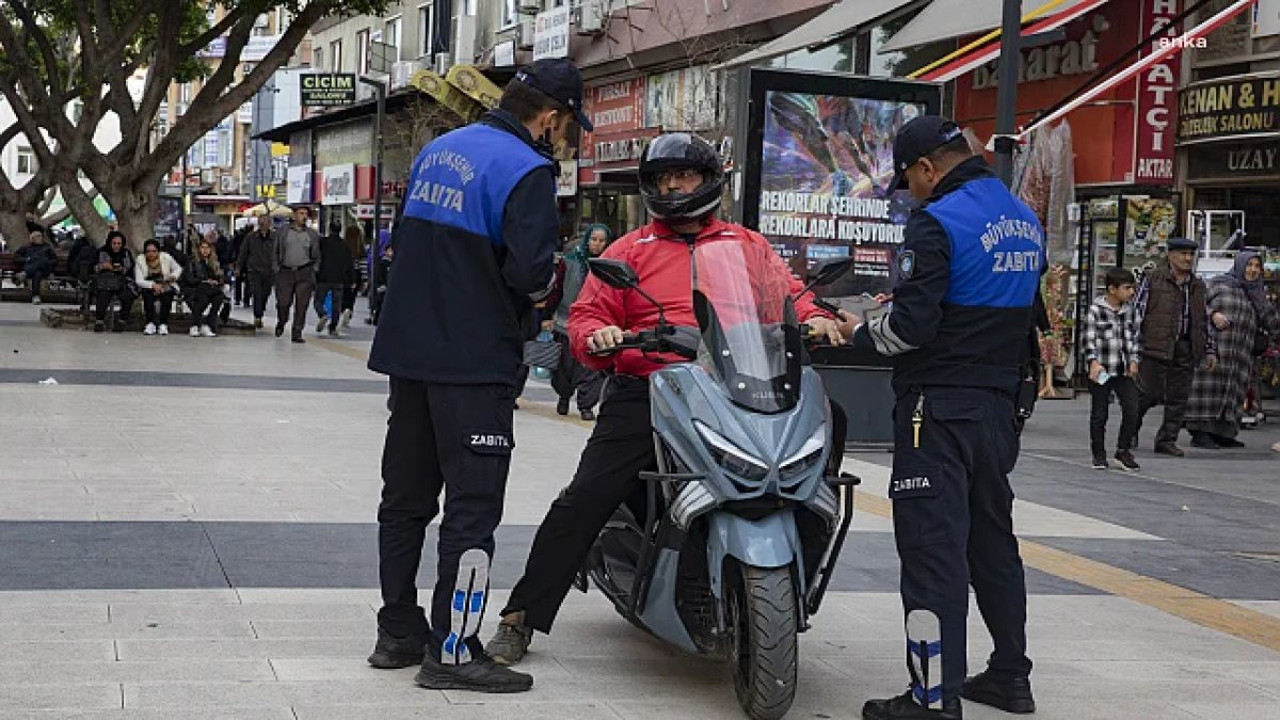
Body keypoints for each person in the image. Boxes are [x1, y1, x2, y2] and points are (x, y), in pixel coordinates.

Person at [486, 132, 843, 667]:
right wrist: (600, 335)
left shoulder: (748, 246)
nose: (674, 186)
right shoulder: (630, 250)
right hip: (651, 389)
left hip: (739, 387)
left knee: (826, 440)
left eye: (685, 175)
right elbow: (587, 315)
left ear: (709, 180)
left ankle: (791, 574)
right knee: (584, 498)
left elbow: (790, 293)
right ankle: (520, 617)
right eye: (662, 178)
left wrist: (816, 318)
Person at [365, 57, 589, 694]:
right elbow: (530, 274)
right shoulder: (527, 170)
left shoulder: (439, 151)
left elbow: (404, 247)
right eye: (568, 125)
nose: (565, 137)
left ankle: (398, 633)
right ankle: (455, 649)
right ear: (549, 117)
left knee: (404, 500)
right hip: (474, 362)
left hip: (409, 356)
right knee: (472, 509)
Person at [837, 116, 1042, 720]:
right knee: (993, 543)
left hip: (938, 410)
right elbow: (1028, 316)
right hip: (998, 408)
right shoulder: (1022, 218)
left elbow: (910, 329)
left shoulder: (937, 223)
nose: (912, 193)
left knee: (931, 551)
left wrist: (856, 335)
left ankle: (932, 699)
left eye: (910, 180)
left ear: (927, 167)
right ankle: (1009, 676)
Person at [1185, 251, 1280, 448]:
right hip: (1215, 350)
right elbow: (1196, 305)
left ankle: (1223, 432)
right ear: (1239, 265)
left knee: (1234, 392)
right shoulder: (1219, 284)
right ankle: (1200, 432)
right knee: (1209, 389)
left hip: (1241, 355)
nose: (1253, 270)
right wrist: (1213, 314)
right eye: (1249, 265)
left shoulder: (1258, 294)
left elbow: (1273, 323)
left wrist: (1265, 311)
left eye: (1257, 266)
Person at [1132, 237, 1217, 457]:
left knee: (1179, 397)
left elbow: (1204, 320)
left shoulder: (1198, 286)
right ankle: (1130, 428)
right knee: (1148, 393)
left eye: (1191, 255)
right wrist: (1132, 345)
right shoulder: (1153, 279)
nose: (1187, 259)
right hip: (1155, 345)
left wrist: (1209, 350)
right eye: (1182, 254)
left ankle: (1167, 439)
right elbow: (1137, 314)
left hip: (1186, 346)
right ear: (1170, 255)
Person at [1081, 268, 1142, 470]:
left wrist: (1134, 360)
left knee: (1132, 408)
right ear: (1112, 289)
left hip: (1123, 369)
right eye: (1127, 288)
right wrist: (1093, 361)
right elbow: (1089, 338)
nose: (1131, 292)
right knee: (1100, 413)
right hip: (1102, 369)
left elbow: (1135, 337)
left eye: (1132, 287)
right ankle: (1098, 454)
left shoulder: (1131, 310)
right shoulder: (1096, 310)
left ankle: (1123, 450)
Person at [549, 225, 610, 420]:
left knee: (591, 368)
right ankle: (564, 397)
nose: (597, 244)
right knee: (564, 366)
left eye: (602, 240)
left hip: (597, 323)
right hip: (566, 322)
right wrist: (546, 316)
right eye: (594, 239)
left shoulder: (610, 265)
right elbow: (557, 290)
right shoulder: (570, 262)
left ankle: (586, 405)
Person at [273, 206, 321, 343]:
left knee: (302, 305)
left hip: (304, 272)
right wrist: (276, 268)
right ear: (294, 216)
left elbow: (317, 254)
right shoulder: (283, 232)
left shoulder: (312, 234)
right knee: (283, 302)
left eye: (306, 214)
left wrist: (314, 270)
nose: (304, 216)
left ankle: (297, 332)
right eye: (301, 213)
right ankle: (282, 321)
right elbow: (275, 251)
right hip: (285, 271)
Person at [314, 218, 354, 337]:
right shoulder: (345, 245)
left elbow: (316, 257)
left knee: (318, 300)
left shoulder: (322, 243)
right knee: (337, 304)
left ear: (329, 229)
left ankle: (323, 314)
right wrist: (350, 280)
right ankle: (333, 327)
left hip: (323, 277)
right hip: (339, 279)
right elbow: (349, 264)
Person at [134, 239, 182, 336]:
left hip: (165, 284)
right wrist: (152, 285)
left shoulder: (166, 257)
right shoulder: (140, 260)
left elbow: (178, 268)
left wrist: (173, 276)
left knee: (167, 296)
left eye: (154, 251)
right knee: (148, 296)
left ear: (158, 251)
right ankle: (150, 323)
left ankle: (163, 324)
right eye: (148, 251)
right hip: (148, 284)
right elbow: (139, 280)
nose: (151, 254)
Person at [237, 215, 277, 329]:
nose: (263, 224)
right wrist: (239, 267)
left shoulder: (275, 237)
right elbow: (243, 252)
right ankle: (257, 316)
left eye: (265, 222)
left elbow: (280, 252)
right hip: (254, 270)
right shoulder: (251, 237)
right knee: (257, 293)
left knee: (266, 293)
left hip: (269, 271)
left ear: (270, 224)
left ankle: (260, 310)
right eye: (261, 222)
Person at [93, 231, 136, 333]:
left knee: (128, 295)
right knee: (103, 295)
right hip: (105, 280)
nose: (116, 246)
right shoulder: (101, 252)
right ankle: (99, 321)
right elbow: (92, 268)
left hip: (122, 280)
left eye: (119, 244)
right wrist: (102, 266)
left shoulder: (125, 253)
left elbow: (130, 269)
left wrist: (121, 269)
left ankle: (121, 321)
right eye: (114, 243)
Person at [183, 238, 225, 337]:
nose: (205, 250)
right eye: (202, 247)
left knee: (219, 296)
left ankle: (207, 324)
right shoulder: (192, 262)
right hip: (193, 288)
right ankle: (195, 325)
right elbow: (190, 279)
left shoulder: (213, 262)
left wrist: (217, 280)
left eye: (207, 248)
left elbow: (218, 278)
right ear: (198, 249)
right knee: (204, 296)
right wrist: (204, 281)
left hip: (209, 289)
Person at [15, 227, 57, 304]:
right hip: (36, 271)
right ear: (32, 238)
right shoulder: (26, 248)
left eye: (40, 236)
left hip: (45, 269)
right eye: (37, 236)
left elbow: (54, 260)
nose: (40, 238)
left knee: (41, 260)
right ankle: (36, 296)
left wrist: (46, 262)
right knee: (37, 273)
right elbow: (16, 258)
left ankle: (25, 273)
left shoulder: (47, 248)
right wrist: (26, 259)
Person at [340, 224, 364, 330]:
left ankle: (342, 310)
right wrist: (365, 279)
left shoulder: (343, 246)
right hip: (356, 273)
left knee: (343, 294)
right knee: (352, 297)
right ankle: (349, 310)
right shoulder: (360, 249)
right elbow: (363, 264)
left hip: (344, 274)